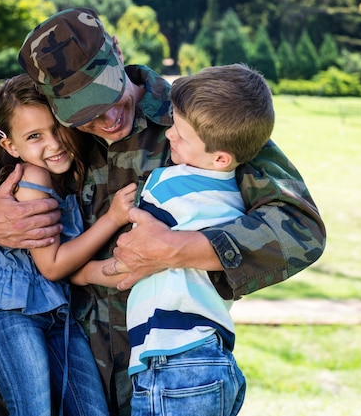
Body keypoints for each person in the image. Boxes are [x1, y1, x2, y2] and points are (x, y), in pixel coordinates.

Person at [0, 7, 326, 416]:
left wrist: (178, 249)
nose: (108, 118)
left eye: (109, 94)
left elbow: (298, 226)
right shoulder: (56, 136)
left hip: (164, 368)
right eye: (85, 113)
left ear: (115, 50)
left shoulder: (196, 120)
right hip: (67, 354)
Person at [72, 63, 273, 416]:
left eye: (179, 133)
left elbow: (129, 262)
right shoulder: (235, 200)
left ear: (220, 156)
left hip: (172, 364)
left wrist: (80, 272)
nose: (169, 137)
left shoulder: (168, 185)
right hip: (211, 357)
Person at [0, 73, 136, 416]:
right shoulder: (33, 177)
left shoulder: (65, 176)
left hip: (57, 312)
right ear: (11, 146)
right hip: (7, 307)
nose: (53, 144)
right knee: (33, 409)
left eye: (57, 129)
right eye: (35, 136)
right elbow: (51, 265)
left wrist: (98, 271)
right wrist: (113, 218)